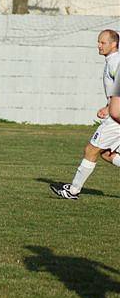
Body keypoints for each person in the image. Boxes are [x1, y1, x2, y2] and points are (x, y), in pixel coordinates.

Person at [50, 29, 120, 199]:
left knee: (91, 149)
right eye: (98, 42)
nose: (99, 45)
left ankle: (73, 190)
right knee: (105, 153)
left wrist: (114, 113)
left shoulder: (115, 62)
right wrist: (108, 106)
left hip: (116, 119)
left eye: (103, 42)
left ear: (114, 44)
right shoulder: (112, 61)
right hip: (115, 114)